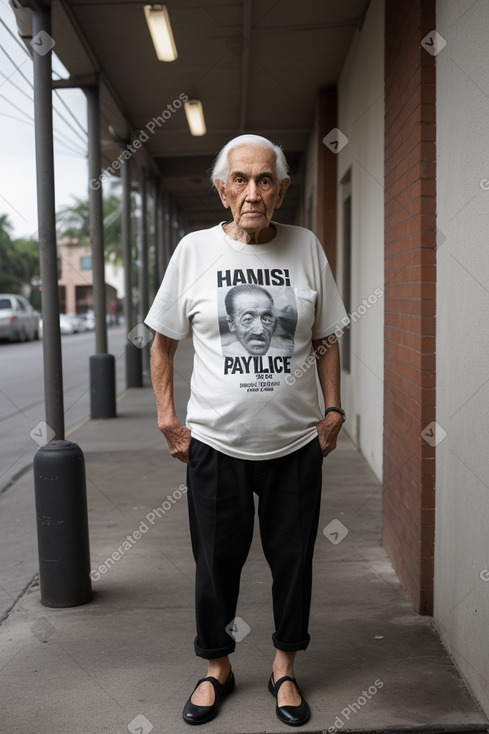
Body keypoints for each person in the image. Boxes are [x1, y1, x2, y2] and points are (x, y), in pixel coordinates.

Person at [145, 134, 348, 727]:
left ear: (282, 190)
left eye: (265, 181)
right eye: (241, 180)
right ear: (221, 189)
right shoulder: (192, 251)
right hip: (215, 444)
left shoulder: (305, 247)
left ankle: (284, 667)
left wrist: (333, 411)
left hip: (293, 446)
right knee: (215, 562)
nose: (252, 192)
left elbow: (327, 336)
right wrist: (167, 418)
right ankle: (218, 668)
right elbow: (163, 343)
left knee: (294, 559)